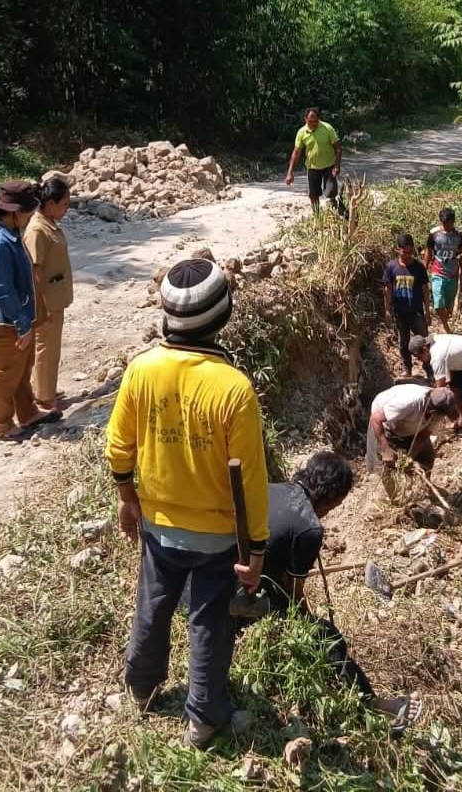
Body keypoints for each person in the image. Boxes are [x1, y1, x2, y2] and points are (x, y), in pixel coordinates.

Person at [105, 258, 270, 749]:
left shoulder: (142, 370)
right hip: (219, 537)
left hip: (159, 524)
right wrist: (256, 549)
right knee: (209, 622)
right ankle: (203, 716)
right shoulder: (233, 389)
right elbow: (252, 482)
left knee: (153, 605)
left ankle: (140, 686)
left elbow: (119, 447)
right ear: (223, 317)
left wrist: (127, 498)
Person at [252, 452, 418, 729]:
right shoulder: (309, 528)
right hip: (245, 596)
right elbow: (293, 592)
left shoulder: (272, 488)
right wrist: (306, 620)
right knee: (328, 638)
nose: (332, 510)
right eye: (336, 504)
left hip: (216, 577)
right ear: (330, 496)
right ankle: (374, 707)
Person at [0, 180, 63, 440]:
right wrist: (22, 325)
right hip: (6, 319)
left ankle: (27, 413)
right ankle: (2, 424)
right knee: (6, 373)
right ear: (14, 211)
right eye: (27, 212)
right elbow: (3, 290)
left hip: (18, 315)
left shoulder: (7, 233)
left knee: (23, 367)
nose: (29, 217)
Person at [23, 177, 74, 411]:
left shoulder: (49, 223)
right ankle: (44, 398)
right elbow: (35, 271)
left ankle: (48, 389)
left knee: (52, 347)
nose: (66, 209)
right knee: (46, 348)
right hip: (46, 302)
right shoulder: (36, 230)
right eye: (64, 204)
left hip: (55, 298)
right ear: (51, 203)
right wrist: (40, 307)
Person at [409, 334, 462, 432]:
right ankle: (460, 417)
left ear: (425, 349)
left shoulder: (437, 357)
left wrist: (428, 409)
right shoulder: (433, 340)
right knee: (454, 388)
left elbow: (439, 391)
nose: (420, 361)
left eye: (420, 357)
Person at [365, 384, 459, 472]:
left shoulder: (439, 404)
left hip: (409, 424)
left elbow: (423, 435)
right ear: (433, 410)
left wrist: (409, 457)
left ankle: (425, 486)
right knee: (387, 465)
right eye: (441, 415)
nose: (442, 419)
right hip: (387, 424)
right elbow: (375, 419)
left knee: (427, 458)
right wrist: (385, 449)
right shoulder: (407, 403)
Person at [382, 233, 434, 380]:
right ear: (397, 249)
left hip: (416, 312)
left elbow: (425, 290)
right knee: (403, 343)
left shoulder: (418, 267)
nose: (408, 255)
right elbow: (388, 290)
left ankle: (429, 370)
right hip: (400, 313)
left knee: (425, 341)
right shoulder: (391, 267)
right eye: (405, 252)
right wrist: (387, 310)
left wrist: (427, 312)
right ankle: (407, 369)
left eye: (410, 252)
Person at [284, 107, 346, 218]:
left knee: (331, 191)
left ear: (319, 119)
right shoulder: (302, 132)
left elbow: (338, 148)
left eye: (315, 121)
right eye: (310, 121)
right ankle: (317, 217)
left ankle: (334, 205)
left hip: (329, 166)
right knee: (313, 195)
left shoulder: (327, 128)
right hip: (312, 167)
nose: (312, 124)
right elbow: (296, 152)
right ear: (305, 120)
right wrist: (290, 172)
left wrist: (337, 166)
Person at [424, 208, 462, 333]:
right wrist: (424, 267)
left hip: (452, 272)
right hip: (438, 271)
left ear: (453, 221)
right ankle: (445, 326)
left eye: (448, 223)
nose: (445, 225)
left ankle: (444, 322)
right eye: (443, 223)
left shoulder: (459, 235)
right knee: (438, 302)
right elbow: (429, 250)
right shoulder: (434, 234)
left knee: (448, 306)